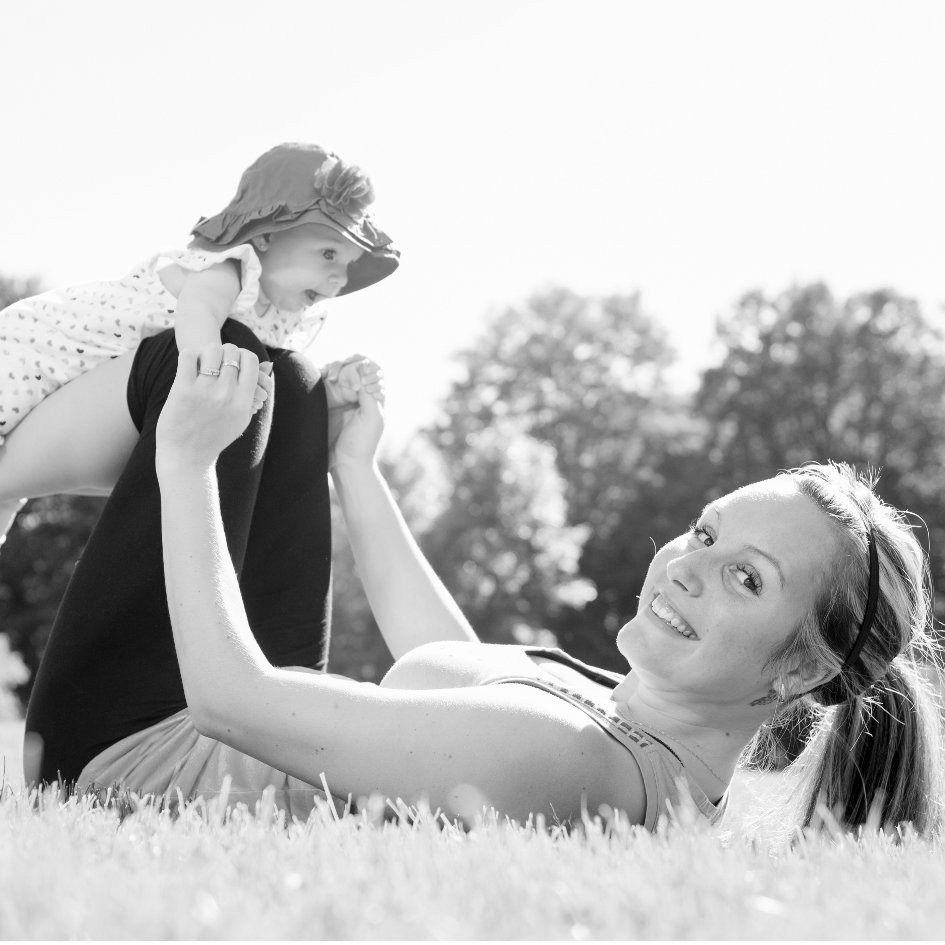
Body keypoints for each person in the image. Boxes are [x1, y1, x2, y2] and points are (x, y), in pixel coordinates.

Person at [26, 334, 945, 834]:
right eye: (706, 531)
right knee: (286, 389)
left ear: (795, 674)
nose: (687, 563)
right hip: (213, 730)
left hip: (130, 759)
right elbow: (451, 658)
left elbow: (233, 701)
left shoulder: (575, 756)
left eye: (744, 577)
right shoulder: (622, 720)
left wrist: (186, 465)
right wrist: (359, 470)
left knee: (205, 356)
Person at [0, 141, 398, 549]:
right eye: (328, 254)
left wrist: (327, 392)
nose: (339, 278)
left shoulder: (277, 316)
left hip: (87, 386)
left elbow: (278, 384)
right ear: (265, 237)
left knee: (6, 499)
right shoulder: (231, 269)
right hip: (44, 344)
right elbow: (199, 310)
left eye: (347, 265)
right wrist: (209, 363)